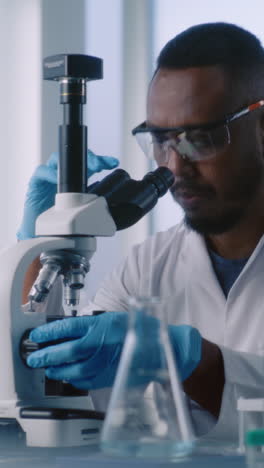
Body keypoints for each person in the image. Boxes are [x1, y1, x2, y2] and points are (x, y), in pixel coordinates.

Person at [18, 22, 264, 442]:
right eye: (160, 138)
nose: (174, 166)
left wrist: (194, 361)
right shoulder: (147, 267)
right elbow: (62, 381)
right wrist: (39, 248)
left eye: (200, 138)